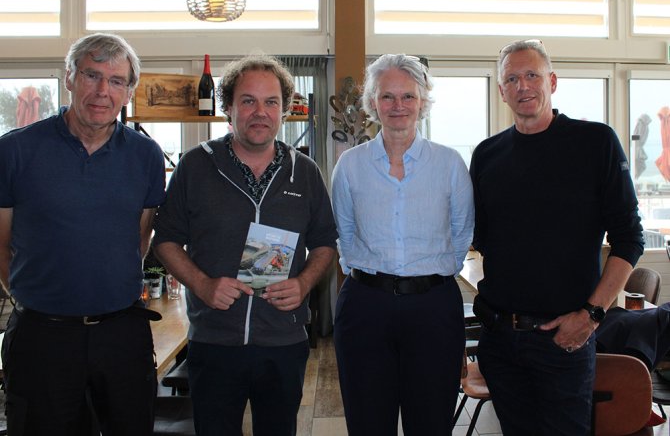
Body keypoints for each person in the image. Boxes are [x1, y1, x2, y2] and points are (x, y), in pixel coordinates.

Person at [152, 54, 338, 436]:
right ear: (228, 108)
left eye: (271, 102)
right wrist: (203, 285)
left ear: (285, 110)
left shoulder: (304, 171)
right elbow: (165, 240)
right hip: (214, 340)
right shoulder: (195, 166)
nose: (260, 112)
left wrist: (303, 283)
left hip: (283, 341)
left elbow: (324, 244)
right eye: (248, 101)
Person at [469, 39, 644, 435]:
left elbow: (629, 237)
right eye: (511, 78)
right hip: (499, 339)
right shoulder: (487, 155)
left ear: (552, 80)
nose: (523, 85)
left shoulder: (595, 142)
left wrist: (593, 314)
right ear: (501, 91)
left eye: (532, 75)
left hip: (564, 338)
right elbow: (478, 235)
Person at [0, 33, 165, 435]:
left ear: (129, 92)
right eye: (92, 75)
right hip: (42, 337)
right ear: (70, 77)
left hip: (122, 334)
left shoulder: (145, 155)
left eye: (116, 80)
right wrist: (38, 298)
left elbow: (139, 239)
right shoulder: (15, 151)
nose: (102, 91)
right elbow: (0, 243)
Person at [331, 54, 475, 436]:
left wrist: (425, 275)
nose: (398, 106)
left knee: (431, 423)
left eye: (408, 97)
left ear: (423, 103)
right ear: (372, 103)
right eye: (387, 96)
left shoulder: (449, 164)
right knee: (367, 422)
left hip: (433, 308)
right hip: (365, 305)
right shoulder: (350, 166)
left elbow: (461, 236)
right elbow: (344, 233)